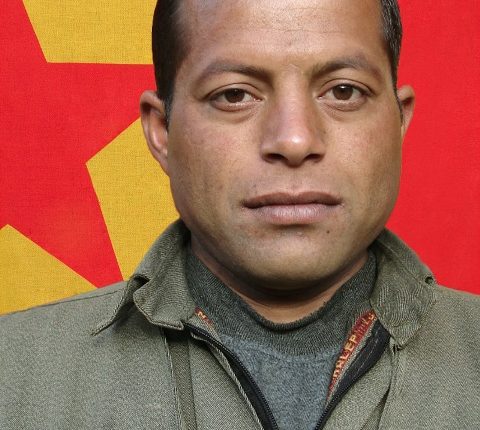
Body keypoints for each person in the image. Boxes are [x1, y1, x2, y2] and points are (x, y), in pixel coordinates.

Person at [1, 0, 479, 429]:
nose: (294, 140)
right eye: (234, 95)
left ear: (398, 120)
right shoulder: (14, 375)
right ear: (162, 131)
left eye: (343, 91)